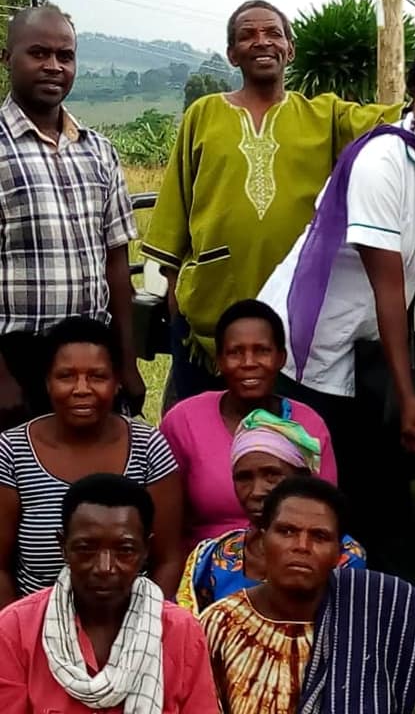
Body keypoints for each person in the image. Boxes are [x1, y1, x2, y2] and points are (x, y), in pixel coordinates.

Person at [258, 40, 415, 563]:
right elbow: (387, 286)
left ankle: (378, 599)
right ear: (413, 97)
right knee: (320, 482)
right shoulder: (380, 160)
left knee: (373, 483)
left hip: (367, 345)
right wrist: (407, 398)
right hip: (310, 335)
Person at [141, 0, 404, 404]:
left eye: (273, 33)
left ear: (290, 48)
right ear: (232, 53)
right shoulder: (204, 113)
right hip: (208, 317)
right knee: (202, 436)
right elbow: (176, 208)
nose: (261, 42)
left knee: (285, 442)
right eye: (247, 35)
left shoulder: (324, 114)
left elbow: (395, 124)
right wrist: (177, 298)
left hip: (295, 321)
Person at [0, 6, 144, 431]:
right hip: (16, 357)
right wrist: (2, 376)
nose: (53, 66)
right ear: (7, 58)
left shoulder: (98, 150)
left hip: (91, 358)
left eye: (65, 56)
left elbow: (117, 266)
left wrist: (126, 363)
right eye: (38, 53)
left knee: (90, 485)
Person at [203, 477, 415, 714]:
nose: (302, 546)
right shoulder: (221, 623)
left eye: (319, 536)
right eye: (287, 531)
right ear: (263, 540)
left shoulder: (378, 621)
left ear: (339, 552)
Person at [0, 318, 182, 608]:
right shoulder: (11, 450)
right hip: (33, 626)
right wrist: (15, 634)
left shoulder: (149, 447)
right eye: (66, 376)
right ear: (47, 381)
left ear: (117, 380)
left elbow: (169, 559)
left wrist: (142, 628)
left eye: (97, 376)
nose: (81, 388)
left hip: (133, 624)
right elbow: (1, 568)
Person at [0, 473, 218, 712]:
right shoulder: (16, 629)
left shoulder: (180, 630)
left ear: (146, 549)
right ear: (63, 546)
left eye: (124, 550)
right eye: (86, 549)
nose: (105, 567)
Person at [161, 299, 337, 546]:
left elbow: (326, 515)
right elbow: (165, 525)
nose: (249, 363)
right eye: (235, 352)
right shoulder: (185, 421)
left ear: (280, 358)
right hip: (206, 571)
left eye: (262, 351)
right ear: (219, 361)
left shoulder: (309, 424)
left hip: (291, 563)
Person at [177, 409, 364, 615]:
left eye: (271, 475)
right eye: (244, 478)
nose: (257, 492)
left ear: (301, 478)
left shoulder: (342, 555)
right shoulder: (212, 557)